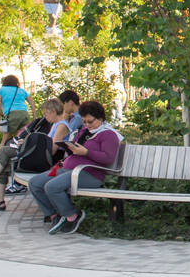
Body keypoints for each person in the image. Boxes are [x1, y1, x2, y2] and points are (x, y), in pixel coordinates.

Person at [28, 100, 122, 235]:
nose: (87, 125)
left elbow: (108, 158)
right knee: (35, 183)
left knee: (52, 187)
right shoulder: (84, 131)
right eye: (84, 121)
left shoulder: (108, 134)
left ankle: (72, 215)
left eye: (90, 121)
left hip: (89, 174)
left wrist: (87, 153)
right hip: (69, 169)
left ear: (101, 118)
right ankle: (55, 216)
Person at [0, 99, 60, 211]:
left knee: (4, 152)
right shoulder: (54, 124)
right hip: (39, 157)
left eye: (46, 114)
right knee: (2, 161)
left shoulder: (60, 125)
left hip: (45, 160)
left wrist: (27, 145)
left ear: (53, 111)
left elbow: (52, 149)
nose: (44, 117)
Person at [0, 75, 30, 146]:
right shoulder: (21, 90)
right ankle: (17, 155)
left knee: (5, 139)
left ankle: (0, 155)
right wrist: (34, 116)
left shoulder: (1, 89)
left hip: (12, 114)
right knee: (19, 139)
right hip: (24, 114)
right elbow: (31, 103)